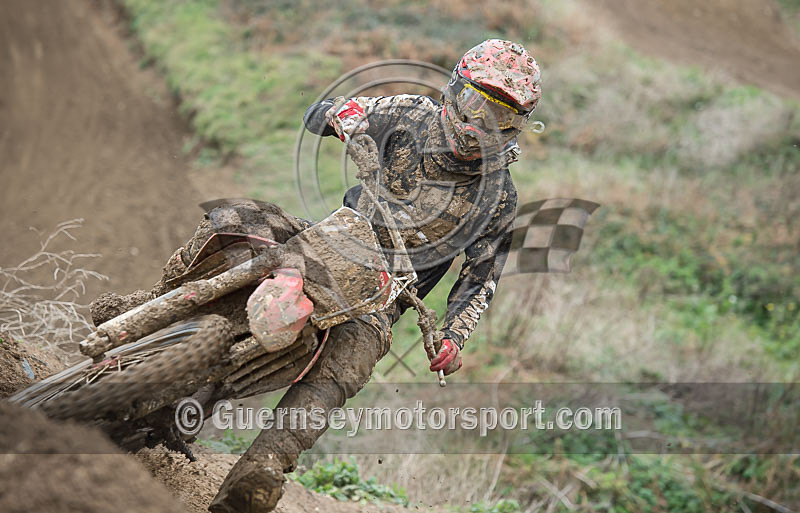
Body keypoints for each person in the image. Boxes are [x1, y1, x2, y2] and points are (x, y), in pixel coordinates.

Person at [204, 38, 542, 512]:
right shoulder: (409, 113)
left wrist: (453, 338)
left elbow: (481, 276)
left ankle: (261, 471)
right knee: (240, 226)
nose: (482, 125)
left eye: (502, 119)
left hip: (386, 298)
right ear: (454, 89)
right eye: (476, 104)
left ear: (518, 129)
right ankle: (157, 308)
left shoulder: (499, 198)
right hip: (334, 242)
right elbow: (318, 114)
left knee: (345, 367)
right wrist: (340, 116)